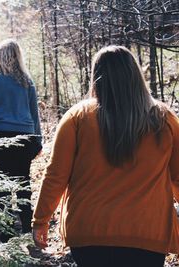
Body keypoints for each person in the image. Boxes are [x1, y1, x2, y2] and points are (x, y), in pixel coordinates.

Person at [32, 45, 179, 267]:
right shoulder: (163, 119)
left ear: (96, 77)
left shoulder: (77, 118)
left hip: (89, 232)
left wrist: (41, 220)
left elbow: (56, 175)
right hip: (147, 234)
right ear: (135, 76)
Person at [0, 39, 42, 242]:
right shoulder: (26, 80)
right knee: (23, 183)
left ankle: (5, 232)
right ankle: (26, 227)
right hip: (25, 138)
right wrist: (38, 141)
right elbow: (35, 113)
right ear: (18, 56)